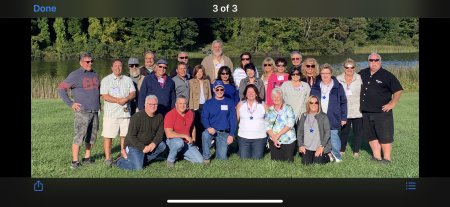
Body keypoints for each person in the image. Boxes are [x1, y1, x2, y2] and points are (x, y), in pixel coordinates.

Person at [57, 52, 100, 169]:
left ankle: (87, 158)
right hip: (82, 111)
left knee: (92, 136)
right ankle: (74, 161)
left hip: (95, 110)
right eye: (87, 61)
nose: (90, 63)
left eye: (91, 61)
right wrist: (71, 103)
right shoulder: (75, 75)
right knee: (79, 136)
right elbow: (61, 89)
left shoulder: (95, 74)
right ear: (81, 63)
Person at [359, 53, 403, 163]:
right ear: (368, 61)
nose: (373, 62)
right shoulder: (362, 73)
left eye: (376, 60)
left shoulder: (387, 75)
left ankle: (387, 158)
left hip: (382, 112)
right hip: (365, 111)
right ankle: (376, 156)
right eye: (371, 60)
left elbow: (398, 90)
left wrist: (392, 103)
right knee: (371, 135)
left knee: (385, 136)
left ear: (380, 61)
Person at [114, 95, 167, 170]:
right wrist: (143, 148)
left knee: (162, 146)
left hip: (149, 144)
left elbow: (160, 134)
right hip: (134, 146)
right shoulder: (137, 117)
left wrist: (153, 144)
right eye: (150, 104)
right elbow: (131, 136)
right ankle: (119, 162)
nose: (153, 106)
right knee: (138, 168)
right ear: (145, 105)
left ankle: (142, 160)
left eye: (155, 104)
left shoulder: (159, 116)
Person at [100, 59, 136, 166]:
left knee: (124, 136)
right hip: (111, 114)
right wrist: (118, 100)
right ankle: (108, 158)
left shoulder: (128, 79)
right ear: (112, 68)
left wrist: (126, 99)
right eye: (115, 66)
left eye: (120, 66)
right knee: (108, 136)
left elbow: (133, 93)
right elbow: (105, 96)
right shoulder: (106, 80)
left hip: (125, 113)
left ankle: (123, 154)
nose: (118, 68)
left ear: (122, 67)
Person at [311, 64, 347, 162]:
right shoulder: (316, 86)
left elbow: (343, 102)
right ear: (320, 74)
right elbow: (311, 102)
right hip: (319, 116)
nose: (325, 75)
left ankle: (337, 157)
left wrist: (343, 118)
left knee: (334, 136)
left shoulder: (338, 86)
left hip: (334, 116)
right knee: (322, 137)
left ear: (331, 74)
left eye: (327, 73)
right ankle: (328, 154)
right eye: (323, 73)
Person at [201, 82, 236, 163]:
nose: (219, 91)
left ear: (224, 90)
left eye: (221, 89)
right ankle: (206, 157)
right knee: (205, 134)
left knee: (222, 159)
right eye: (217, 89)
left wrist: (231, 135)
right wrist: (208, 127)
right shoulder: (208, 103)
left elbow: (233, 119)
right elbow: (204, 117)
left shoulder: (230, 102)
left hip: (223, 132)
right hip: (212, 130)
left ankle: (218, 146)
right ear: (213, 90)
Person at [164, 96, 203, 167]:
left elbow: (193, 126)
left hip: (187, 142)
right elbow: (168, 134)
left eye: (184, 103)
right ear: (176, 104)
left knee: (200, 161)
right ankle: (170, 160)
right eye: (180, 103)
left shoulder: (190, 113)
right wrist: (185, 136)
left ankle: (180, 154)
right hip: (173, 141)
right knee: (179, 143)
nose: (182, 105)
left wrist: (193, 138)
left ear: (187, 105)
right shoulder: (170, 115)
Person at [336, 58, 363, 158]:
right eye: (347, 67)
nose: (349, 69)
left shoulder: (359, 78)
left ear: (354, 68)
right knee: (344, 132)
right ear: (344, 68)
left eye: (352, 67)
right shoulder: (338, 79)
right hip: (344, 111)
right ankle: (342, 149)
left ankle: (356, 151)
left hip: (358, 110)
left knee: (358, 132)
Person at [297, 95, 331, 165]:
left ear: (319, 104)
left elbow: (327, 132)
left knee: (317, 163)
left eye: (316, 102)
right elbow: (299, 132)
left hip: (319, 146)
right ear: (308, 104)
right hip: (307, 147)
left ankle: (328, 156)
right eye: (311, 102)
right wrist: (301, 145)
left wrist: (322, 146)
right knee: (306, 163)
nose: (314, 104)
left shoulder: (323, 116)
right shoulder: (304, 115)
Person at [265, 88, 297, 162]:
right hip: (274, 139)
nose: (276, 99)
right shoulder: (269, 110)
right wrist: (274, 138)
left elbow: (290, 123)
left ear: (282, 97)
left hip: (288, 139)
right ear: (272, 98)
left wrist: (278, 135)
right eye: (274, 97)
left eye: (278, 97)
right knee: (276, 162)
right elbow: (267, 126)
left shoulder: (288, 108)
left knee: (288, 162)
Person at [236, 84, 267, 159]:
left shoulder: (263, 105)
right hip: (243, 137)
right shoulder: (240, 104)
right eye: (248, 92)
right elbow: (237, 121)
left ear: (256, 93)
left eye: (253, 92)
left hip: (259, 137)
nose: (250, 94)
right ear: (245, 94)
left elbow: (268, 120)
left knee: (256, 160)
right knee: (244, 160)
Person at [188, 65, 212, 149]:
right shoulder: (191, 81)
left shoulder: (207, 82)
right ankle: (197, 144)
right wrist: (191, 108)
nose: (199, 73)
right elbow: (190, 95)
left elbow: (209, 95)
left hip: (205, 106)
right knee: (196, 125)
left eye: (201, 72)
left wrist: (210, 106)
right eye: (198, 72)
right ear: (195, 72)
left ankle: (204, 144)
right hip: (195, 106)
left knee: (204, 125)